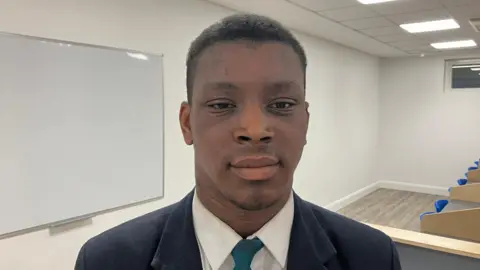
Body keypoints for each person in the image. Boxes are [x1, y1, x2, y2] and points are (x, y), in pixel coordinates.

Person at [75, 13, 402, 270]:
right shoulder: (107, 261)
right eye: (221, 105)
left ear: (305, 122)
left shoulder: (371, 257)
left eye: (282, 105)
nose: (255, 128)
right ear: (187, 124)